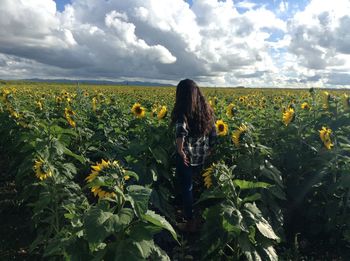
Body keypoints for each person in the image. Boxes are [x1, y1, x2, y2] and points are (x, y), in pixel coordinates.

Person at [171, 79, 217, 232]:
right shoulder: (207, 110)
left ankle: (190, 222)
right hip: (201, 157)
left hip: (187, 158)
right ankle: (203, 216)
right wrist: (210, 148)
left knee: (187, 188)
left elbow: (180, 132)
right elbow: (213, 132)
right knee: (201, 186)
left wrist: (180, 150)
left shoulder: (183, 112)